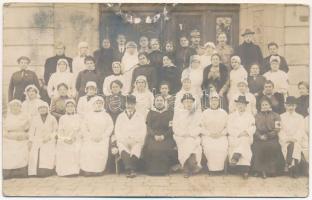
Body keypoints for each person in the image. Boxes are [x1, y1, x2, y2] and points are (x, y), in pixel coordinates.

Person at [143, 95, 178, 175]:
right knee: (152, 148)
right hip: (153, 136)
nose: (159, 102)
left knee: (164, 148)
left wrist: (164, 136)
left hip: (166, 136)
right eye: (157, 100)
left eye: (161, 100)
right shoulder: (151, 113)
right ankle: (152, 170)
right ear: (154, 102)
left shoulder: (169, 113)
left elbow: (171, 128)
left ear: (164, 102)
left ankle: (164, 170)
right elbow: (148, 127)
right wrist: (154, 135)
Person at [80, 96, 114, 176]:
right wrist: (90, 136)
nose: (98, 105)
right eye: (96, 103)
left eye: (100, 103)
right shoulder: (88, 115)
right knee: (88, 150)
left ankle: (98, 170)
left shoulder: (106, 115)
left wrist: (103, 136)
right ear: (93, 104)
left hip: (102, 138)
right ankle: (87, 170)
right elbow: (84, 128)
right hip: (90, 138)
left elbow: (110, 126)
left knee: (100, 151)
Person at [114, 95, 147, 178]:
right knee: (123, 149)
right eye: (128, 104)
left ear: (135, 104)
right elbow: (117, 130)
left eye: (132, 104)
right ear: (125, 104)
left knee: (136, 149)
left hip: (136, 140)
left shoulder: (140, 116)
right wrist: (123, 140)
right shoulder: (120, 116)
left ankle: (130, 169)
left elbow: (143, 130)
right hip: (123, 140)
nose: (130, 106)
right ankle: (131, 170)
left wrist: (136, 139)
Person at [252, 97, 284, 178]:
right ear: (260, 106)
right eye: (263, 105)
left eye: (266, 104)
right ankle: (259, 170)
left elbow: (277, 129)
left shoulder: (276, 115)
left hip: (271, 137)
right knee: (257, 147)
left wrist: (268, 135)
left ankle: (271, 170)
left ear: (270, 105)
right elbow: (253, 128)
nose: (264, 106)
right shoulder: (256, 116)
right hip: (259, 137)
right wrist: (259, 136)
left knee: (273, 146)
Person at [172, 93, 202, 178]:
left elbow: (200, 127)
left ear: (193, 103)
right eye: (186, 102)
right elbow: (175, 127)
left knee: (191, 144)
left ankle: (186, 168)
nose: (188, 104)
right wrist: (183, 133)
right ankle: (191, 166)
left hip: (193, 136)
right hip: (180, 136)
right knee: (186, 143)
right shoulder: (178, 113)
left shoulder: (197, 114)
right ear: (183, 103)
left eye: (190, 102)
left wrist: (191, 134)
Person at [227, 95, 256, 179]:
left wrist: (246, 132)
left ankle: (235, 157)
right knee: (244, 145)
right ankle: (245, 170)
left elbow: (253, 127)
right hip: (234, 137)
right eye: (239, 104)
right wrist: (238, 134)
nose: (240, 106)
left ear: (246, 106)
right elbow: (229, 127)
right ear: (236, 105)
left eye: (243, 104)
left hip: (246, 136)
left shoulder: (250, 116)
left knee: (244, 141)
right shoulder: (231, 116)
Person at [28, 101, 58, 177]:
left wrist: (49, 137)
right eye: (40, 108)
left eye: (44, 108)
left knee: (47, 151)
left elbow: (55, 131)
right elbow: (31, 131)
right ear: (38, 110)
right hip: (37, 139)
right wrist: (31, 140)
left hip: (49, 139)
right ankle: (35, 171)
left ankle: (48, 170)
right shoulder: (35, 119)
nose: (42, 109)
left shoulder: (52, 118)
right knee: (35, 151)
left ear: (47, 109)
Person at [200, 94, 228, 173]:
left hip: (221, 136)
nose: (214, 102)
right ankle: (211, 169)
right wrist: (209, 134)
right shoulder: (205, 113)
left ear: (219, 102)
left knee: (221, 148)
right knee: (210, 148)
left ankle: (220, 169)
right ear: (209, 102)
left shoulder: (224, 113)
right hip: (208, 136)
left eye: (216, 100)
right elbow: (201, 127)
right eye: (212, 100)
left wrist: (221, 134)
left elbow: (227, 127)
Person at [3, 100, 31, 179]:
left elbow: (31, 129)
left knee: (23, 148)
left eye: (17, 105)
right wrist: (10, 136)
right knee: (7, 148)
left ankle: (21, 170)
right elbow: (3, 130)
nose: (15, 107)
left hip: (22, 136)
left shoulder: (26, 116)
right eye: (13, 106)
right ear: (10, 108)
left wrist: (26, 135)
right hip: (9, 137)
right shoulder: (6, 117)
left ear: (20, 107)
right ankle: (8, 170)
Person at [279, 96, 306, 178]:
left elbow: (301, 130)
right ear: (285, 106)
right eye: (289, 105)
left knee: (295, 146)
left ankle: (289, 165)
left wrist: (294, 138)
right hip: (285, 139)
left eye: (292, 105)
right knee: (289, 146)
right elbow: (280, 130)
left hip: (296, 139)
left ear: (295, 106)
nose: (290, 107)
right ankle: (294, 169)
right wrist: (286, 138)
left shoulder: (300, 117)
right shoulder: (281, 116)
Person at [56, 99, 82, 177]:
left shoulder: (78, 117)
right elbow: (60, 131)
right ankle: (65, 171)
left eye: (72, 106)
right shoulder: (62, 118)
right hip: (65, 139)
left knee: (76, 148)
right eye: (68, 106)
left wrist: (75, 138)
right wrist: (65, 139)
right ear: (65, 108)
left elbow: (81, 130)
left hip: (76, 138)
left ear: (74, 107)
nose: (70, 108)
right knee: (63, 148)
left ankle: (75, 171)